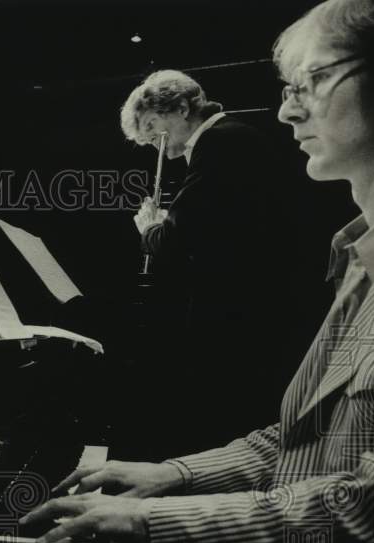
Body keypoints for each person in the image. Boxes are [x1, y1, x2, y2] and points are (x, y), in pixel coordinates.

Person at [26, 0, 374, 543]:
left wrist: (149, 525)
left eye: (312, 81)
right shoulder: (358, 256)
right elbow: (303, 440)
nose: (286, 111)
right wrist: (174, 476)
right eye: (287, 89)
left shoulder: (232, 154)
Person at [120, 71, 287, 455]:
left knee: (226, 425)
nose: (157, 148)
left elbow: (173, 243)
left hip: (242, 318)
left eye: (153, 128)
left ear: (181, 108)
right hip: (254, 309)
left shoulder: (219, 142)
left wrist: (149, 228)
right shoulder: (233, 138)